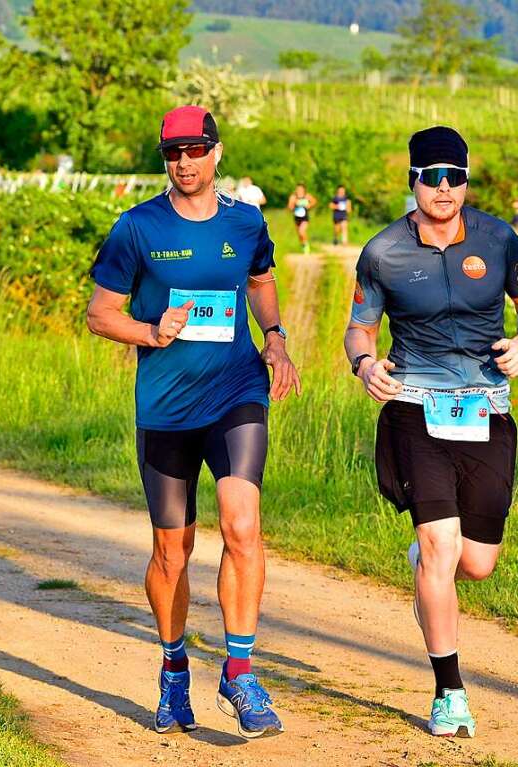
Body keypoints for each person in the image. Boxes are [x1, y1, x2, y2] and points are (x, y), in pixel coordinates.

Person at [87, 105, 301, 738]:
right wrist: (150, 332)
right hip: (166, 408)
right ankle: (174, 667)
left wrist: (277, 337)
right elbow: (101, 314)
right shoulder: (137, 228)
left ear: (217, 152)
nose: (184, 162)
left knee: (242, 523)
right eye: (172, 153)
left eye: (194, 150)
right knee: (171, 552)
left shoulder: (246, 220)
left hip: (237, 391)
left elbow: (260, 280)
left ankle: (239, 671)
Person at [344, 126, 518, 738]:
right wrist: (365, 364)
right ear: (413, 181)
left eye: (455, 175)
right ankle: (450, 692)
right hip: (414, 407)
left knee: (477, 564)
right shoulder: (383, 251)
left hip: (486, 409)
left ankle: (428, 565)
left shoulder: (500, 240)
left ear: (467, 180)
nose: (444, 188)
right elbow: (359, 328)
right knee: (443, 546)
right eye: (431, 176)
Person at [287, 184, 316, 254]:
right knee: (299, 235)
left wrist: (309, 205)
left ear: (304, 189)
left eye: (300, 189)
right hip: (296, 217)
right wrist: (293, 204)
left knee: (302, 231)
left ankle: (306, 246)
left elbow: (314, 201)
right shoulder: (293, 197)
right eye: (298, 189)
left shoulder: (307, 196)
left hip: (305, 217)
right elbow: (289, 207)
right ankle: (303, 245)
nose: (299, 190)